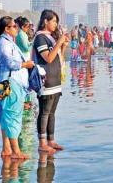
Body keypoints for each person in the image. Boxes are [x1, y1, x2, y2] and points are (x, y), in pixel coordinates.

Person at [0, 16, 35, 159]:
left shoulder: (5, 42)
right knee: (13, 114)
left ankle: (6, 149)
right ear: (7, 29)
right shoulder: (3, 43)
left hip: (2, 81)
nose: (16, 28)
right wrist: (26, 65)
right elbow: (10, 63)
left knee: (5, 115)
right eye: (14, 26)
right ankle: (16, 151)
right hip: (9, 82)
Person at [33, 10, 69, 153]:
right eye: (53, 21)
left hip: (55, 78)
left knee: (52, 112)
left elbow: (58, 56)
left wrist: (63, 45)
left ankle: (51, 140)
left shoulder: (51, 37)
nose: (55, 24)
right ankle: (42, 143)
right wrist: (59, 42)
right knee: (45, 112)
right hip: (46, 79)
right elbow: (48, 58)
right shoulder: (40, 38)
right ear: (45, 21)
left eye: (56, 22)